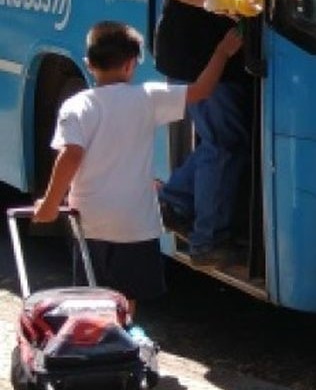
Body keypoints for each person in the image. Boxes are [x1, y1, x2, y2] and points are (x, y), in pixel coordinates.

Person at [33, 22, 243, 319]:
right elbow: (202, 90)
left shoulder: (76, 106)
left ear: (88, 64)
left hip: (91, 222)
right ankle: (122, 342)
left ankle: (98, 347)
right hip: (135, 223)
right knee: (126, 298)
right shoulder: (148, 97)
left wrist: (51, 204)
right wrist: (222, 52)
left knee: (93, 298)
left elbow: (71, 154)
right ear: (132, 65)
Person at [148, 0, 264, 267]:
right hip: (195, 48)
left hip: (232, 47)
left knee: (232, 137)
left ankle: (178, 200)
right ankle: (207, 241)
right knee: (225, 141)